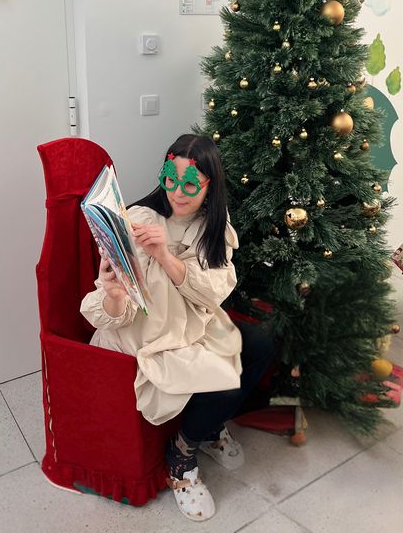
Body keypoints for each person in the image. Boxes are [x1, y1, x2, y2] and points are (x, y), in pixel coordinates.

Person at [80, 133, 275, 521]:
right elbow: (116, 309)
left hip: (190, 324)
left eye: (190, 184)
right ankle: (182, 457)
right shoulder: (137, 220)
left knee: (261, 344)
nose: (177, 192)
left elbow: (212, 292)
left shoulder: (213, 226)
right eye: (170, 179)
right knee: (224, 374)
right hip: (147, 337)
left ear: (210, 185)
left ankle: (205, 429)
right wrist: (114, 292)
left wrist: (166, 256)